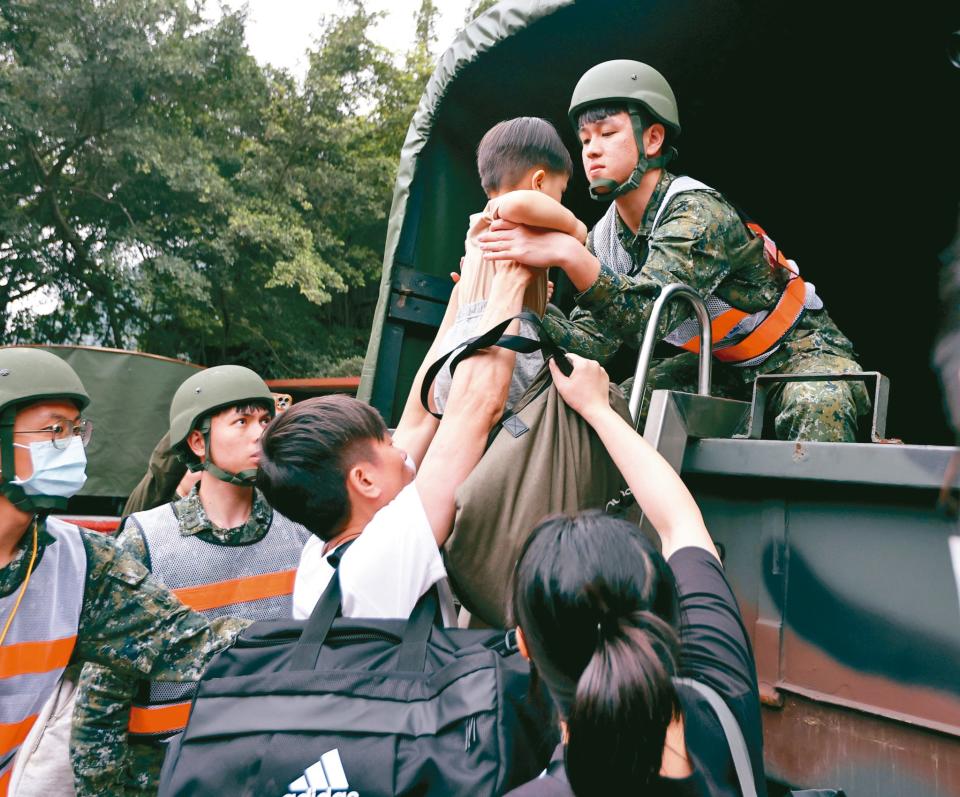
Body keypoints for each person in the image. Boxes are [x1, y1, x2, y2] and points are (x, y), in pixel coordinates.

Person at [478, 59, 869, 442]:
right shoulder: (605, 239)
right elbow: (596, 340)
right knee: (620, 404)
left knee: (816, 402)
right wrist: (524, 310)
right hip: (721, 365)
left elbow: (648, 316)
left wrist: (570, 255)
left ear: (652, 138)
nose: (592, 151)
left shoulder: (696, 212)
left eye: (607, 133)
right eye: (584, 140)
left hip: (799, 351)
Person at [505, 353, 766, 796]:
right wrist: (597, 409)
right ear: (665, 612)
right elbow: (680, 522)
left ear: (525, 646)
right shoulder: (719, 690)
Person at [0, 348, 246, 797]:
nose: (72, 447)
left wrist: (336, 648)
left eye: (76, 431)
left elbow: (190, 643)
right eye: (55, 430)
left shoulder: (80, 561)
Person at [69, 366, 311, 796]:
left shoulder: (301, 532)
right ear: (198, 442)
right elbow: (104, 690)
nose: (260, 434)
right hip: (163, 774)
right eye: (241, 421)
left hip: (270, 765)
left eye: (265, 421)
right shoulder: (147, 539)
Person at [257, 261, 535, 623]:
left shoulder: (324, 552)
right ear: (364, 480)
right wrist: (512, 278)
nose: (400, 449)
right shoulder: (382, 558)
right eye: (386, 445)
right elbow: (477, 407)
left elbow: (420, 418)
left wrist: (461, 298)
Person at [432, 116, 585, 412]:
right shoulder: (502, 210)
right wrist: (575, 227)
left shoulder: (497, 227)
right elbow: (519, 203)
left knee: (489, 438)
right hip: (497, 342)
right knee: (519, 430)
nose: (561, 204)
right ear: (538, 182)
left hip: (463, 346)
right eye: (561, 192)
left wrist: (538, 293)